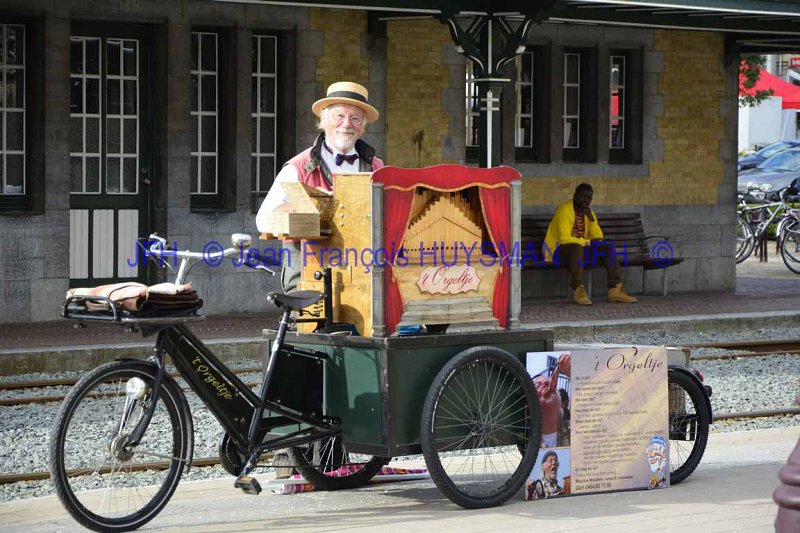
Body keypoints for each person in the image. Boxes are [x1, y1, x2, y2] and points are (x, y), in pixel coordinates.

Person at [256, 81, 384, 293]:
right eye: (340, 116)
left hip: (361, 268)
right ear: (323, 120)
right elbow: (263, 221)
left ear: (362, 126)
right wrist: (308, 207)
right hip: (308, 267)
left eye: (355, 118)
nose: (347, 124)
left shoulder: (376, 167)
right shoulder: (298, 167)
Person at [542, 183, 637, 306]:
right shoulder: (565, 210)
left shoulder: (588, 213)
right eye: (583, 197)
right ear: (575, 195)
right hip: (556, 251)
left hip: (579, 252)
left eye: (589, 198)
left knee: (607, 246)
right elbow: (564, 239)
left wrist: (592, 220)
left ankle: (615, 289)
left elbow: (598, 238)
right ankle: (578, 290)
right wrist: (587, 242)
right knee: (576, 248)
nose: (585, 201)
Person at [533, 353, 570, 448]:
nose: (546, 382)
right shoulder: (525, 440)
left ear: (559, 403)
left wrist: (577, 369)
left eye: (548, 381)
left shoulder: (574, 430)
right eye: (537, 385)